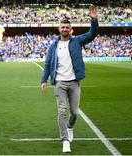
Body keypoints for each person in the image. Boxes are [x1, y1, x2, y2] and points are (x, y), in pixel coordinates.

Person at [41, 6, 98, 153]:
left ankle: (70, 127)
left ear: (70, 29)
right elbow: (47, 64)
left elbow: (92, 34)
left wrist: (93, 19)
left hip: (74, 82)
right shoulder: (53, 46)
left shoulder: (77, 41)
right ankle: (65, 140)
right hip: (59, 82)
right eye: (63, 27)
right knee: (62, 111)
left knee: (74, 113)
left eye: (67, 27)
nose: (65, 29)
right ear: (59, 29)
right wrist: (43, 80)